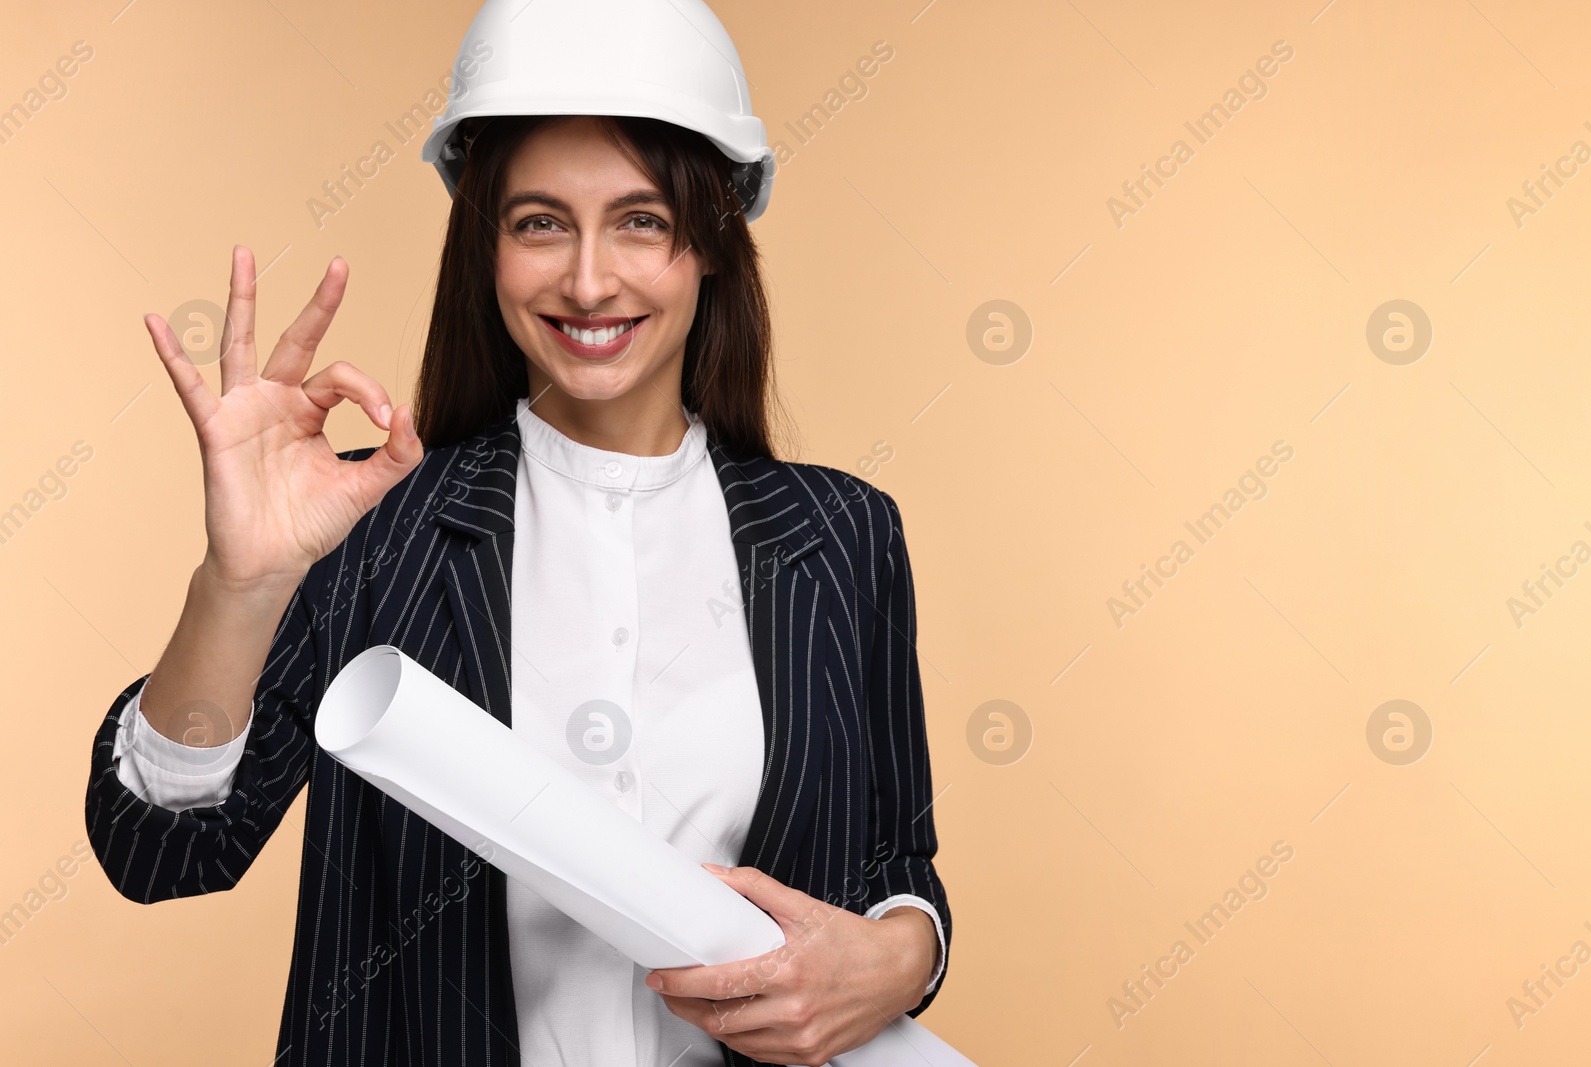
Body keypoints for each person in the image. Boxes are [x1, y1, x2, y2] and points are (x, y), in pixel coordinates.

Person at [83, 2, 952, 1065]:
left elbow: (894, 860)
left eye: (642, 219)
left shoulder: (842, 535)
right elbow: (163, 848)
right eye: (540, 221)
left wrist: (904, 955)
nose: (589, 280)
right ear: (485, 247)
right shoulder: (370, 526)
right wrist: (241, 582)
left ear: (715, 239)